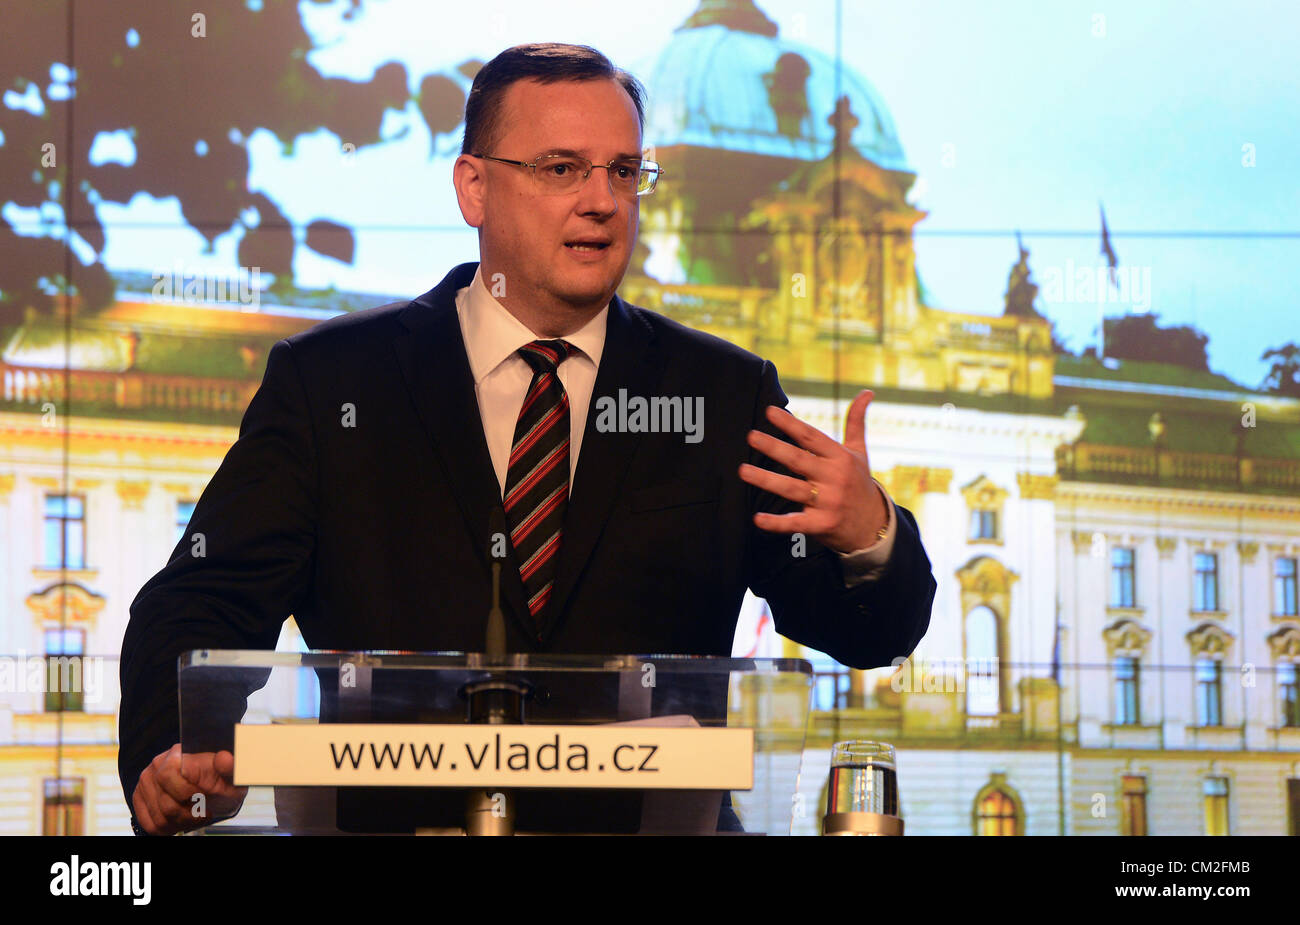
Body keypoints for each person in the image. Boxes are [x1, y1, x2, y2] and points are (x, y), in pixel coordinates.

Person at [120, 42, 936, 835]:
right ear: (473, 189)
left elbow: (867, 632)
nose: (603, 200)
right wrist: (173, 747)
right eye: (561, 169)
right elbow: (205, 597)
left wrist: (870, 535)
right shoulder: (333, 382)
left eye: (624, 172)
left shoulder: (720, 393)